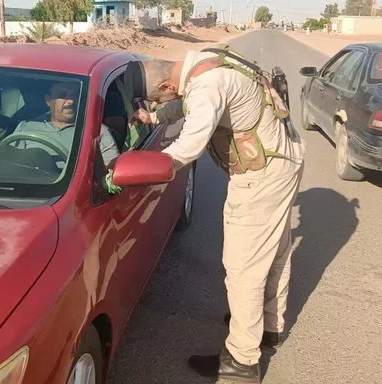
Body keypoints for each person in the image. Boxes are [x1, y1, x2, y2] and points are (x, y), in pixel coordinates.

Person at [126, 46, 306, 384]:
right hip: (283, 160)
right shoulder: (201, 62)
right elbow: (189, 104)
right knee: (275, 251)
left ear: (167, 86)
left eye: (160, 100)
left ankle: (241, 362)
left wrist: (147, 167)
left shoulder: (206, 86)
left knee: (244, 269)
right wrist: (156, 118)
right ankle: (269, 327)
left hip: (262, 176)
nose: (164, 103)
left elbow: (189, 145)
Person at [11, 81, 120, 167]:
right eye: (63, 95)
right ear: (48, 101)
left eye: (75, 95)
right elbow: (9, 163)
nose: (71, 102)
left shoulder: (97, 131)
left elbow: (111, 173)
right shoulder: (26, 127)